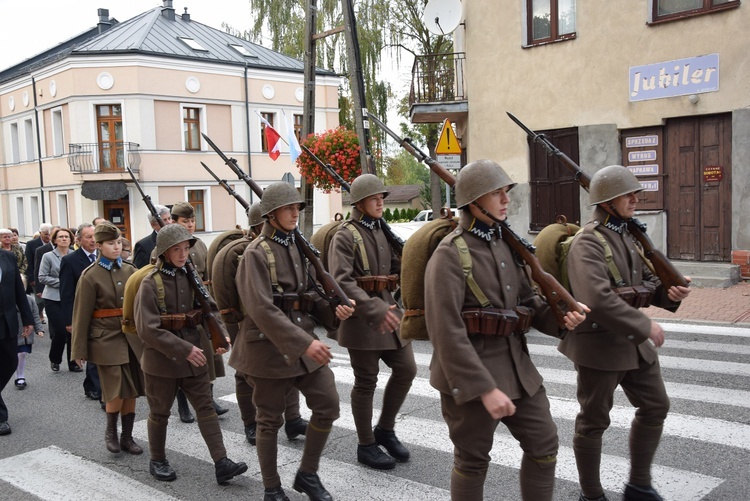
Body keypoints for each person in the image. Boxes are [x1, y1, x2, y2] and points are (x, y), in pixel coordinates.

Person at [424, 160, 588, 501]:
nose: (505, 200)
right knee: (472, 460)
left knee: (544, 444)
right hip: (470, 375)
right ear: (473, 202)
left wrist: (561, 318)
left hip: (517, 368)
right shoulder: (449, 255)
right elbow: (446, 332)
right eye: (495, 193)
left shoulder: (507, 246)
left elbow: (528, 302)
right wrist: (484, 388)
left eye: (505, 192)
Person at [558, 165, 691, 501]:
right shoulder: (587, 242)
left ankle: (638, 485)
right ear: (606, 203)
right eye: (627, 194)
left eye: (635, 193)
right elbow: (597, 298)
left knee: (656, 406)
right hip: (598, 345)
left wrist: (666, 293)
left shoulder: (628, 236)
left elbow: (641, 285)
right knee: (593, 421)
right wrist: (645, 325)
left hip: (633, 344)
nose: (635, 199)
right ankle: (591, 494)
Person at [230, 182, 354, 501]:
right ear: (271, 215)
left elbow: (309, 295)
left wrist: (333, 310)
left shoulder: (299, 248)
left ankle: (307, 475)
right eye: (288, 208)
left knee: (327, 405)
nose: (294, 212)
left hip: (301, 341)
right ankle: (272, 488)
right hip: (266, 349)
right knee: (269, 421)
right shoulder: (255, 254)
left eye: (297, 207)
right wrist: (303, 343)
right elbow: (260, 308)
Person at [134, 223, 247, 484]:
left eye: (186, 248)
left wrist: (218, 333)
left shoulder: (189, 275)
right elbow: (147, 330)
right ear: (164, 252)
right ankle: (158, 460)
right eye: (177, 249)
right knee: (160, 412)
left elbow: (208, 307)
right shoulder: (150, 283)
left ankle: (222, 462)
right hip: (163, 359)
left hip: (194, 353)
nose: (183, 254)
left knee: (205, 407)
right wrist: (184, 349)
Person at [327, 174, 416, 470]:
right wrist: (371, 307)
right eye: (375, 198)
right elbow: (341, 281)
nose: (381, 202)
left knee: (406, 370)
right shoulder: (345, 234)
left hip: (389, 309)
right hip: (363, 319)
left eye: (382, 197)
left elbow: (393, 268)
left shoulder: (380, 229)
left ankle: (385, 429)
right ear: (360, 202)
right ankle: (366, 444)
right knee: (366, 381)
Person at [212, 202, 307, 448]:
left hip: (276, 319)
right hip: (246, 323)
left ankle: (294, 418)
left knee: (291, 365)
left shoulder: (282, 247)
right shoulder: (241, 253)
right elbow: (228, 297)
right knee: (244, 376)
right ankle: (250, 423)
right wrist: (234, 330)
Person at [71, 222, 145, 454]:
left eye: (118, 243)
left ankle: (128, 437)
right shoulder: (90, 276)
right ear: (99, 246)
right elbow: (81, 315)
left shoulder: (131, 270)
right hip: (105, 340)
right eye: (110, 244)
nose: (116, 247)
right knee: (116, 389)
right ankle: (111, 432)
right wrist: (78, 350)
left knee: (133, 389)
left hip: (131, 339)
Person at [169, 201, 228, 423]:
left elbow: (208, 279)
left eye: (192, 220)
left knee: (210, 357)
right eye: (185, 221)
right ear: (174, 222)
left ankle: (208, 399)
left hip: (202, 308)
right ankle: (183, 405)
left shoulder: (200, 245)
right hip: (181, 310)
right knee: (185, 361)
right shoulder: (162, 248)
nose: (191, 225)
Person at [60, 223, 103, 405]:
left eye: (95, 236)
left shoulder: (103, 256)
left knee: (98, 350)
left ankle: (92, 385)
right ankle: (96, 388)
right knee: (92, 350)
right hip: (83, 313)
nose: (93, 240)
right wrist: (70, 321)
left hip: (102, 313)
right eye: (88, 237)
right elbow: (67, 293)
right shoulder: (70, 261)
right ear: (78, 240)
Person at [0, 246, 34, 436]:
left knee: (11, 362)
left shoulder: (8, 257)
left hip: (7, 321)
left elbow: (18, 290)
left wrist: (27, 318)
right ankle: (1, 418)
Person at [39, 227, 78, 373]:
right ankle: (55, 358)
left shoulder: (75, 255)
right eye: (60, 237)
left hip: (71, 298)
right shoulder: (48, 256)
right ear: (55, 240)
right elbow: (42, 277)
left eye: (66, 237)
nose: (64, 239)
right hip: (53, 298)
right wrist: (64, 282)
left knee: (72, 331)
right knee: (61, 331)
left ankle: (73, 362)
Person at [14, 275, 45, 390]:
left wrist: (39, 329)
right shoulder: (6, 299)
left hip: (25, 334)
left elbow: (35, 316)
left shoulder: (29, 300)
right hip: (12, 333)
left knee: (21, 354)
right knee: (12, 356)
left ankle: (20, 376)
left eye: (22, 285)